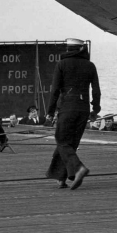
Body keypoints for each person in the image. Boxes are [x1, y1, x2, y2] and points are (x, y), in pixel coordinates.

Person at [46, 39, 101, 190]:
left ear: (68, 49)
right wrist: (95, 109)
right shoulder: (90, 65)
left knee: (62, 141)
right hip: (83, 109)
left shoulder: (62, 64)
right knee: (71, 144)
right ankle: (61, 178)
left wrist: (50, 111)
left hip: (67, 107)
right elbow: (96, 90)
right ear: (81, 49)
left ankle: (78, 168)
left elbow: (55, 90)